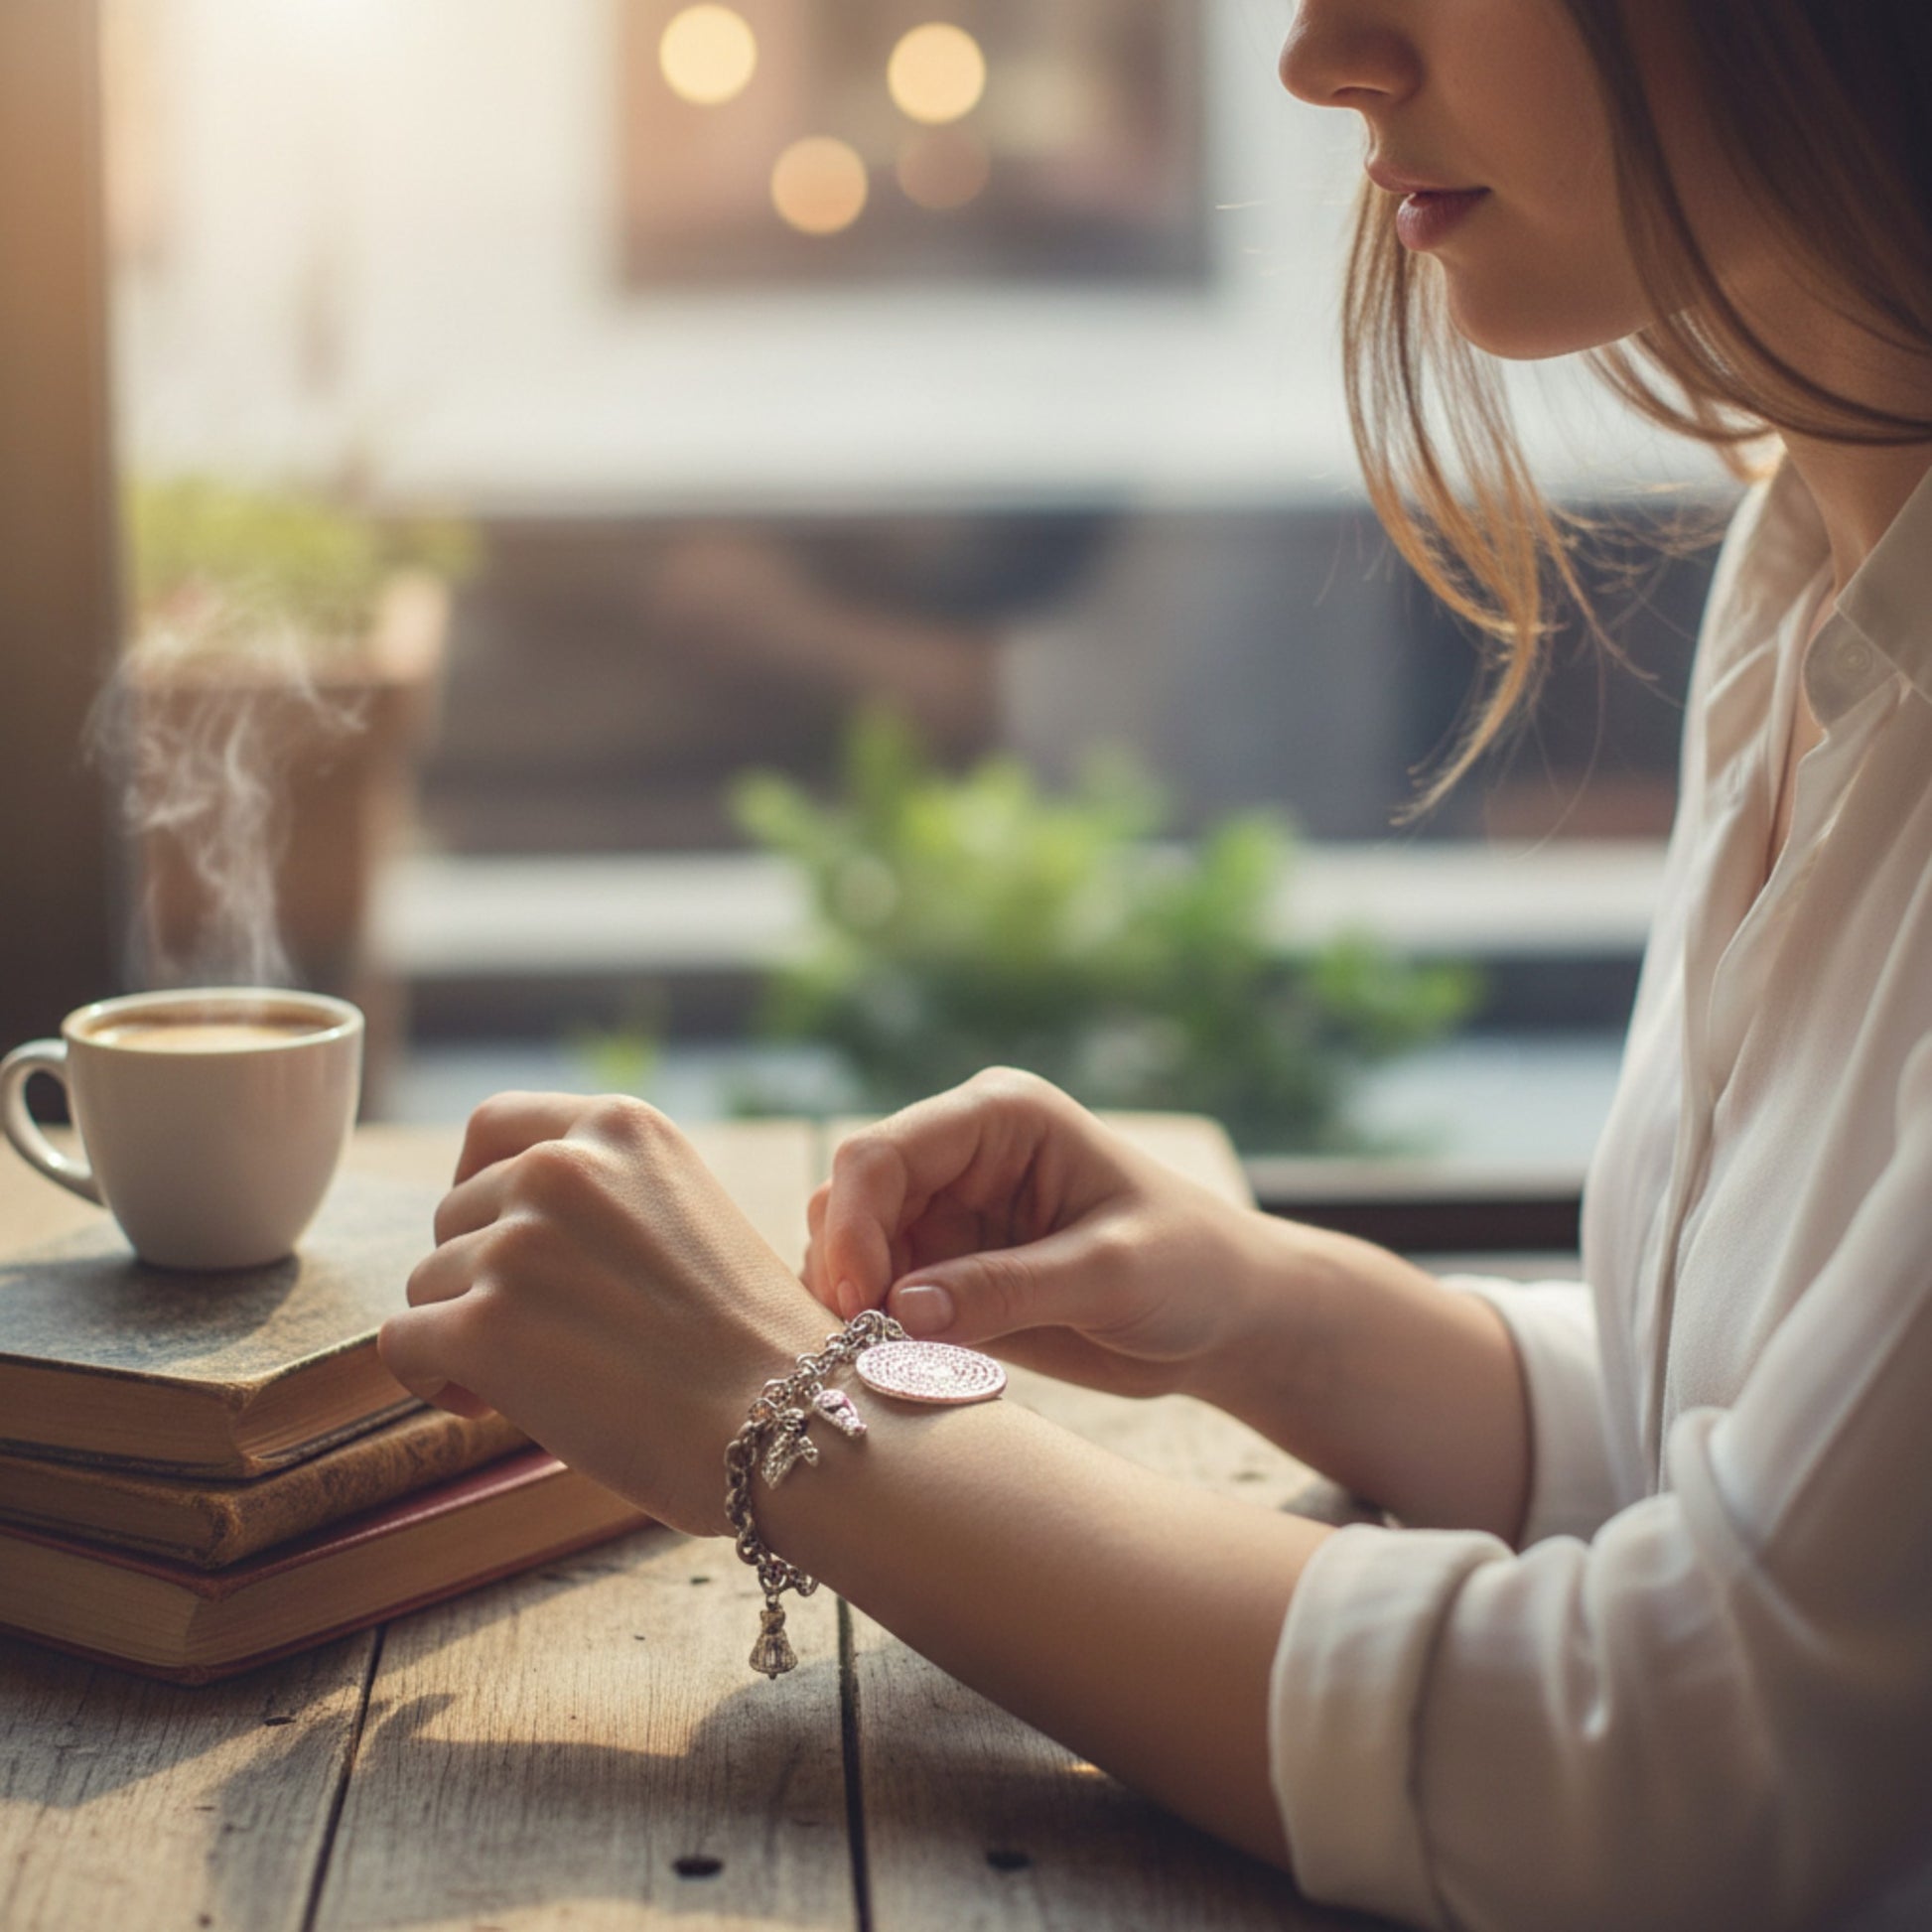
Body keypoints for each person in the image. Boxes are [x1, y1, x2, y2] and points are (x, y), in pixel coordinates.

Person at [376, 3, 1932, 1925]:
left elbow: (1690, 1761)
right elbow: (1782, 1466)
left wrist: (790, 1412)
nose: (1317, 52)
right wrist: (1273, 1310)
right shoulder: (1812, 561)